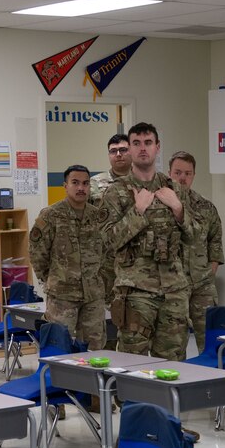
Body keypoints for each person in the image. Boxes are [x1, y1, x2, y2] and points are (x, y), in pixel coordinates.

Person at [96, 122, 192, 360]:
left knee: (174, 362)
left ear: (157, 147)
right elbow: (108, 241)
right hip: (136, 291)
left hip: (173, 290)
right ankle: (131, 400)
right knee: (133, 362)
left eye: (148, 143)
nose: (142, 149)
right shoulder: (116, 192)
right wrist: (137, 212)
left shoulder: (174, 189)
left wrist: (179, 209)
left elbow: (195, 236)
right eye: (136, 144)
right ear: (129, 149)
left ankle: (169, 400)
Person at [28, 165, 106, 349]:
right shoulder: (51, 215)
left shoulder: (98, 216)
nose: (81, 188)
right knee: (59, 348)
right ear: (65, 186)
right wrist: (51, 278)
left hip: (93, 296)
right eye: (75, 183)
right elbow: (37, 253)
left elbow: (108, 253)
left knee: (94, 349)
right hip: (62, 296)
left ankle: (93, 379)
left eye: (85, 183)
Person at [168, 150, 224, 353]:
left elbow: (215, 239)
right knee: (174, 339)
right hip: (173, 282)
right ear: (169, 173)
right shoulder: (160, 204)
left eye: (187, 173)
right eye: (177, 172)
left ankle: (212, 376)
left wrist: (213, 267)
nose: (182, 177)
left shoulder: (205, 206)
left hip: (202, 280)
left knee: (210, 333)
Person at [89, 133, 131, 316]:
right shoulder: (94, 184)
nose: (118, 154)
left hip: (134, 257)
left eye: (123, 150)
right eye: (113, 151)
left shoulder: (142, 181)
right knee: (107, 312)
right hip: (105, 259)